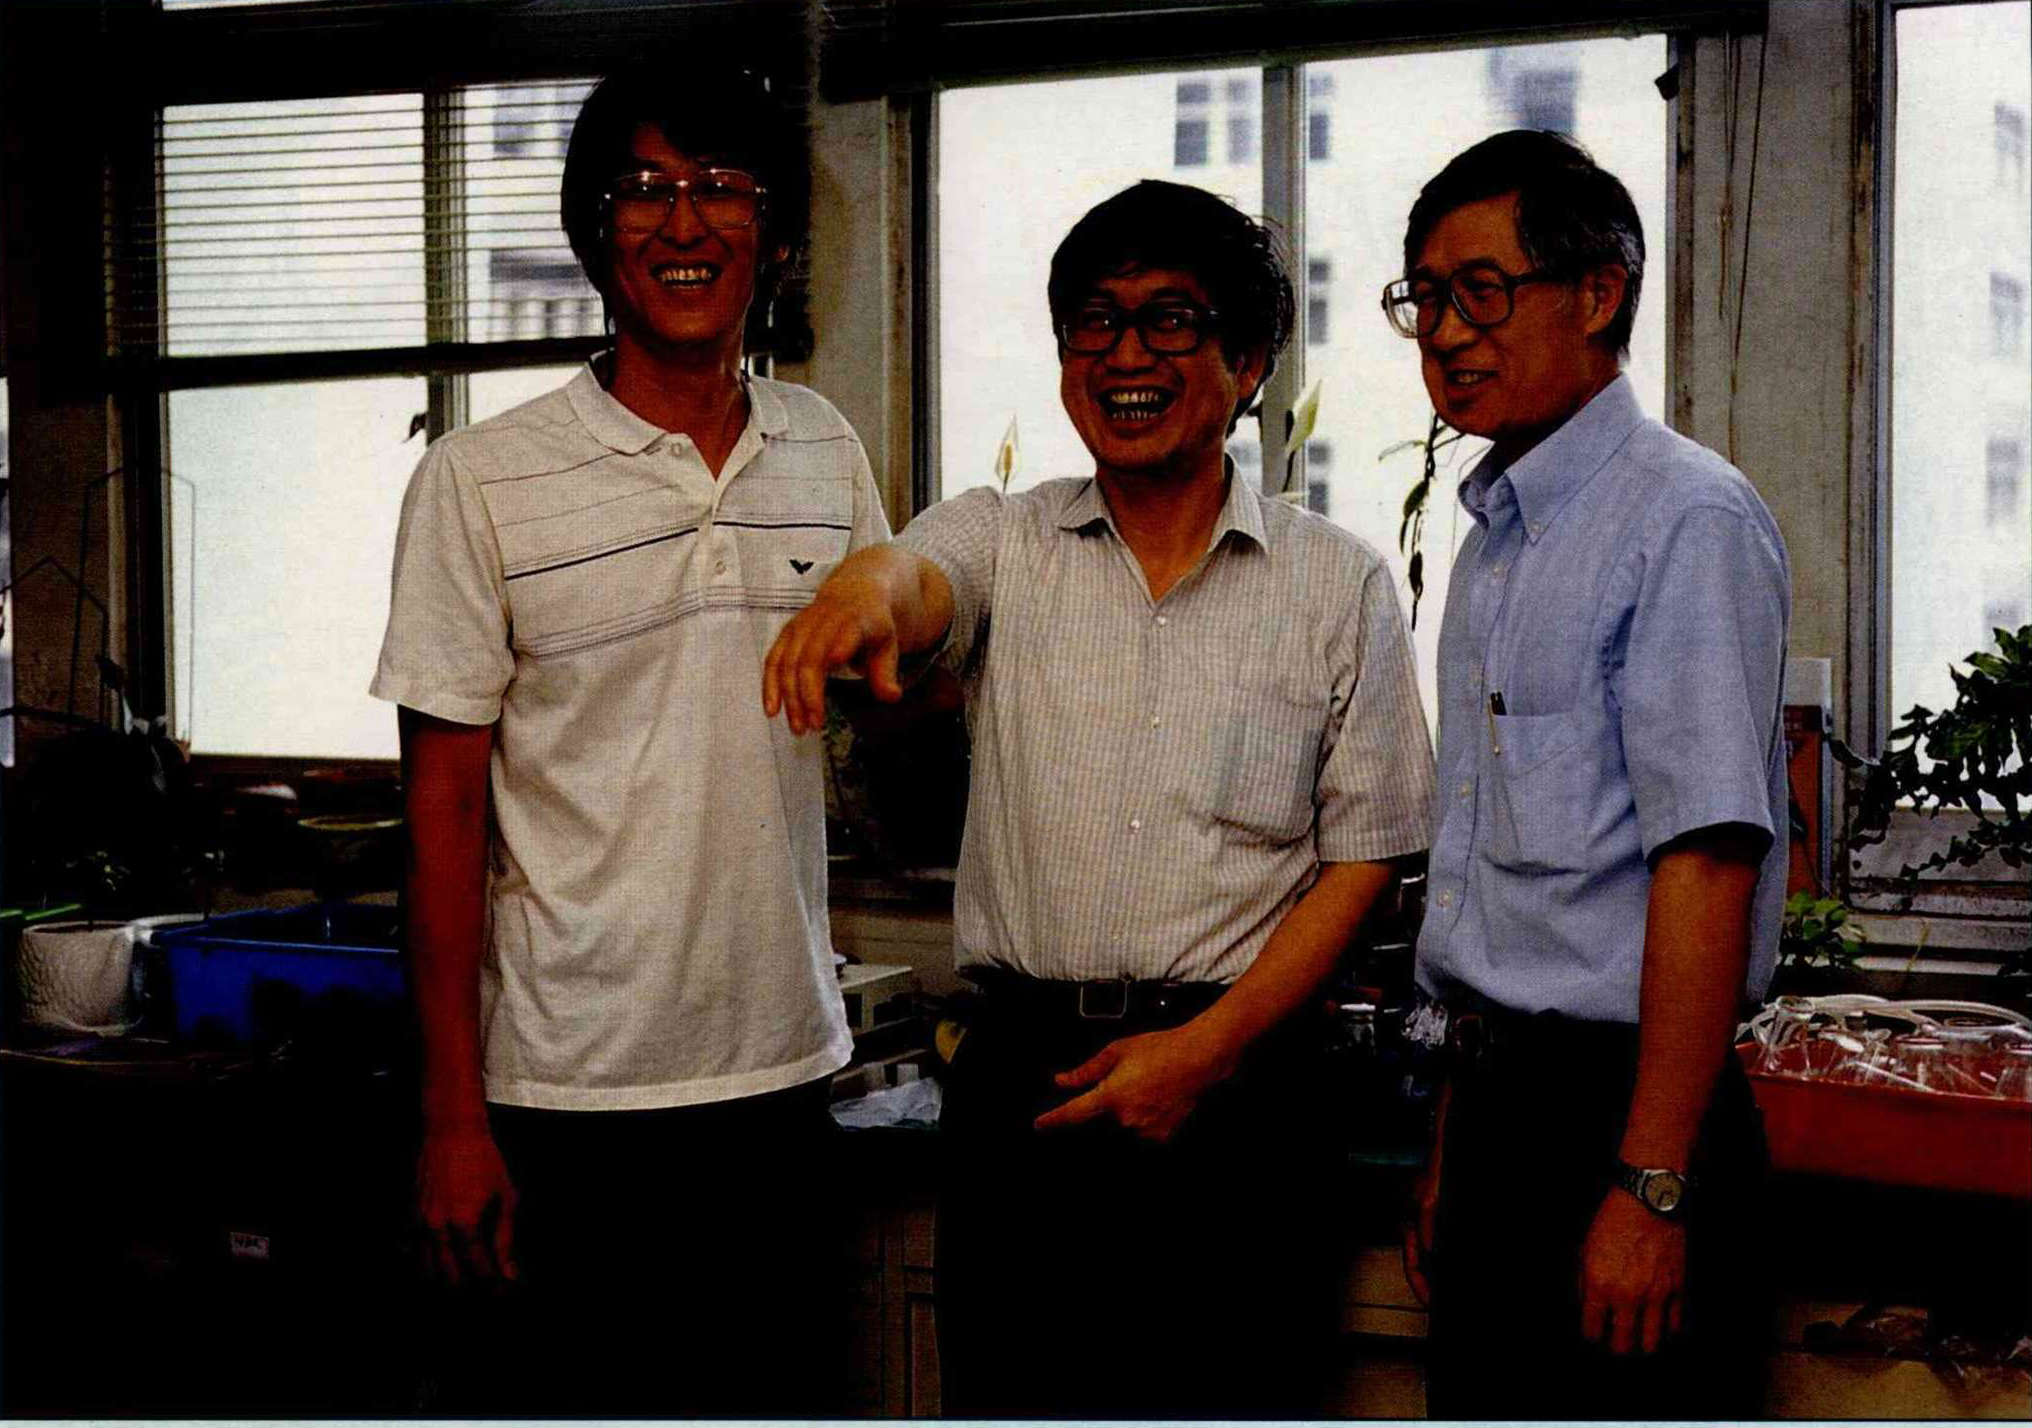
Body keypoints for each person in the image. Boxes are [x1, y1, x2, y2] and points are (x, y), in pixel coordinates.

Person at [764, 179, 1435, 1418]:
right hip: (1026, 1093)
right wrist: (858, 594)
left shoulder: (1334, 586)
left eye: (1169, 320)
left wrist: (1204, 1054)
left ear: (1246, 362)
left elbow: (1367, 857)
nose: (1125, 355)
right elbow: (915, 577)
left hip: (1242, 1096)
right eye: (1094, 321)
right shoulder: (1006, 540)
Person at [370, 66, 888, 1417]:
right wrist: (452, 1120)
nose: (685, 223)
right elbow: (442, 821)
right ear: (596, 234)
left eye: (722, 188)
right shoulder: (480, 479)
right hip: (563, 1101)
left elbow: (890, 672)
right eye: (645, 190)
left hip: (781, 1077)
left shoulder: (824, 450)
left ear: (773, 234)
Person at [1386, 130, 1789, 1419]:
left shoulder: (1684, 518)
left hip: (1627, 1117)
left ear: (1598, 293)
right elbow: (1489, 900)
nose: (1446, 333)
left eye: (1480, 292)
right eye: (1424, 298)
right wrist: (1452, 1153)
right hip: (1498, 1117)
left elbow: (1707, 864)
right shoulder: (1497, 540)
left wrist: (1651, 1188)